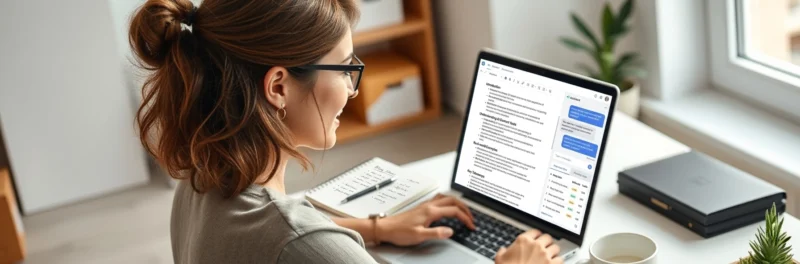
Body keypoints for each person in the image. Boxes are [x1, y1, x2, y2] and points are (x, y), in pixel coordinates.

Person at [128, 0, 563, 263]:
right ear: (279, 86)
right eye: (345, 68)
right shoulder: (296, 240)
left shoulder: (202, 177)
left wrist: (374, 227)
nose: (353, 89)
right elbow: (293, 242)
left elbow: (277, 236)